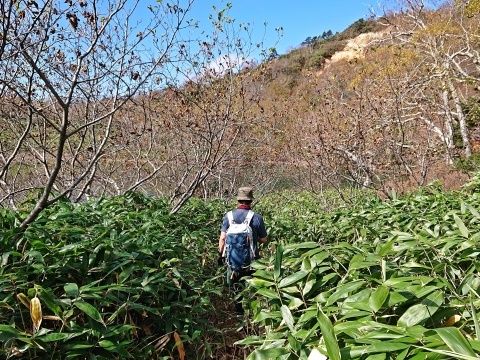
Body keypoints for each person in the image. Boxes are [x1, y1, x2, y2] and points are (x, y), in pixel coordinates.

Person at [218, 187, 268, 313]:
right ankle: (252, 314)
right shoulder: (256, 217)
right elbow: (264, 240)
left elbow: (223, 238)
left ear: (238, 200)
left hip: (233, 261)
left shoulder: (228, 216)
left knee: (236, 288)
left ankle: (239, 314)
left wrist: (221, 255)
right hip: (252, 262)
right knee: (251, 289)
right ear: (250, 201)